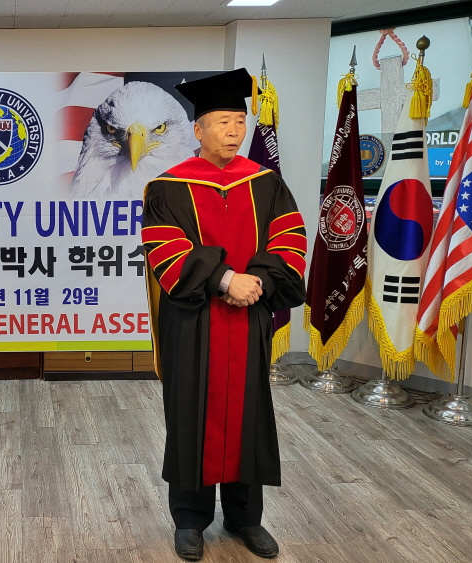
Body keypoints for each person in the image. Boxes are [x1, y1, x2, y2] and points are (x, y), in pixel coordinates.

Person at [141, 68, 307, 561]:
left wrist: (259, 282)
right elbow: (163, 249)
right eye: (222, 122)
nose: (234, 132)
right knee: (190, 413)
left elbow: (290, 238)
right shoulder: (168, 187)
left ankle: (245, 517)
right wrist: (223, 279)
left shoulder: (266, 183)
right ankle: (190, 521)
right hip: (193, 320)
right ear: (198, 129)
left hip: (248, 317)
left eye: (239, 122)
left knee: (249, 414)